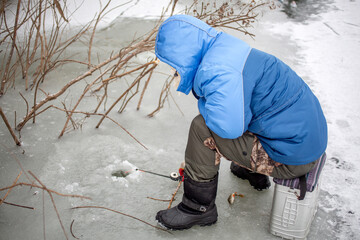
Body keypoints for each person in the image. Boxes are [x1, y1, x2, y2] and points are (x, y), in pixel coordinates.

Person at [154, 15, 327, 230]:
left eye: (173, 63)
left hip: (294, 158)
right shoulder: (230, 50)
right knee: (244, 110)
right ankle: (252, 171)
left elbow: (228, 128)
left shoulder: (216, 71)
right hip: (306, 140)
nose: (175, 70)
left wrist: (203, 104)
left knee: (202, 128)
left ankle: (197, 208)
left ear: (182, 54)